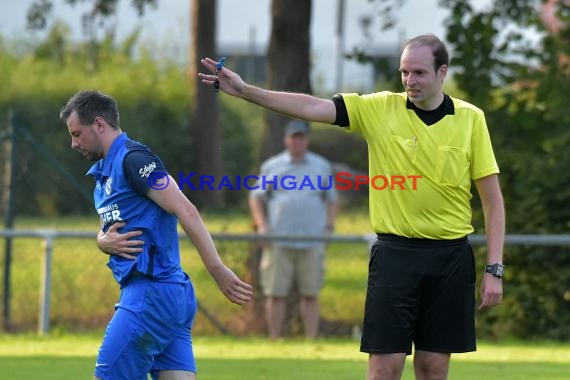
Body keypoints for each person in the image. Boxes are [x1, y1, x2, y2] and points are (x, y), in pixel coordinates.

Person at [199, 34, 505, 380]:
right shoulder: (379, 108)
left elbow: (492, 200)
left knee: (433, 369)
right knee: (382, 370)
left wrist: (494, 267)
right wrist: (247, 91)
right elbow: (313, 107)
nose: (409, 81)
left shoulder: (470, 119)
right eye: (404, 72)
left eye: (419, 73)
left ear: (442, 72)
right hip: (395, 256)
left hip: (450, 258)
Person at [60, 90, 253, 380]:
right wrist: (102, 242)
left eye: (77, 134)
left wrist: (217, 269)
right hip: (169, 295)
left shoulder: (134, 160)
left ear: (99, 124)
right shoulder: (107, 170)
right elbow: (115, 227)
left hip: (150, 295)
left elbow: (186, 209)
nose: (73, 143)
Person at [249, 119, 338, 339]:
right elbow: (256, 197)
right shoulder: (272, 166)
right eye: (293, 137)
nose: (297, 141)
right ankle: (274, 339)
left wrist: (329, 225)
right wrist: (262, 225)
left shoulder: (321, 166)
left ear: (306, 140)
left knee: (311, 293)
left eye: (301, 137)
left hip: (312, 239)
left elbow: (332, 199)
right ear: (286, 140)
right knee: (275, 293)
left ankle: (310, 338)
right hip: (277, 238)